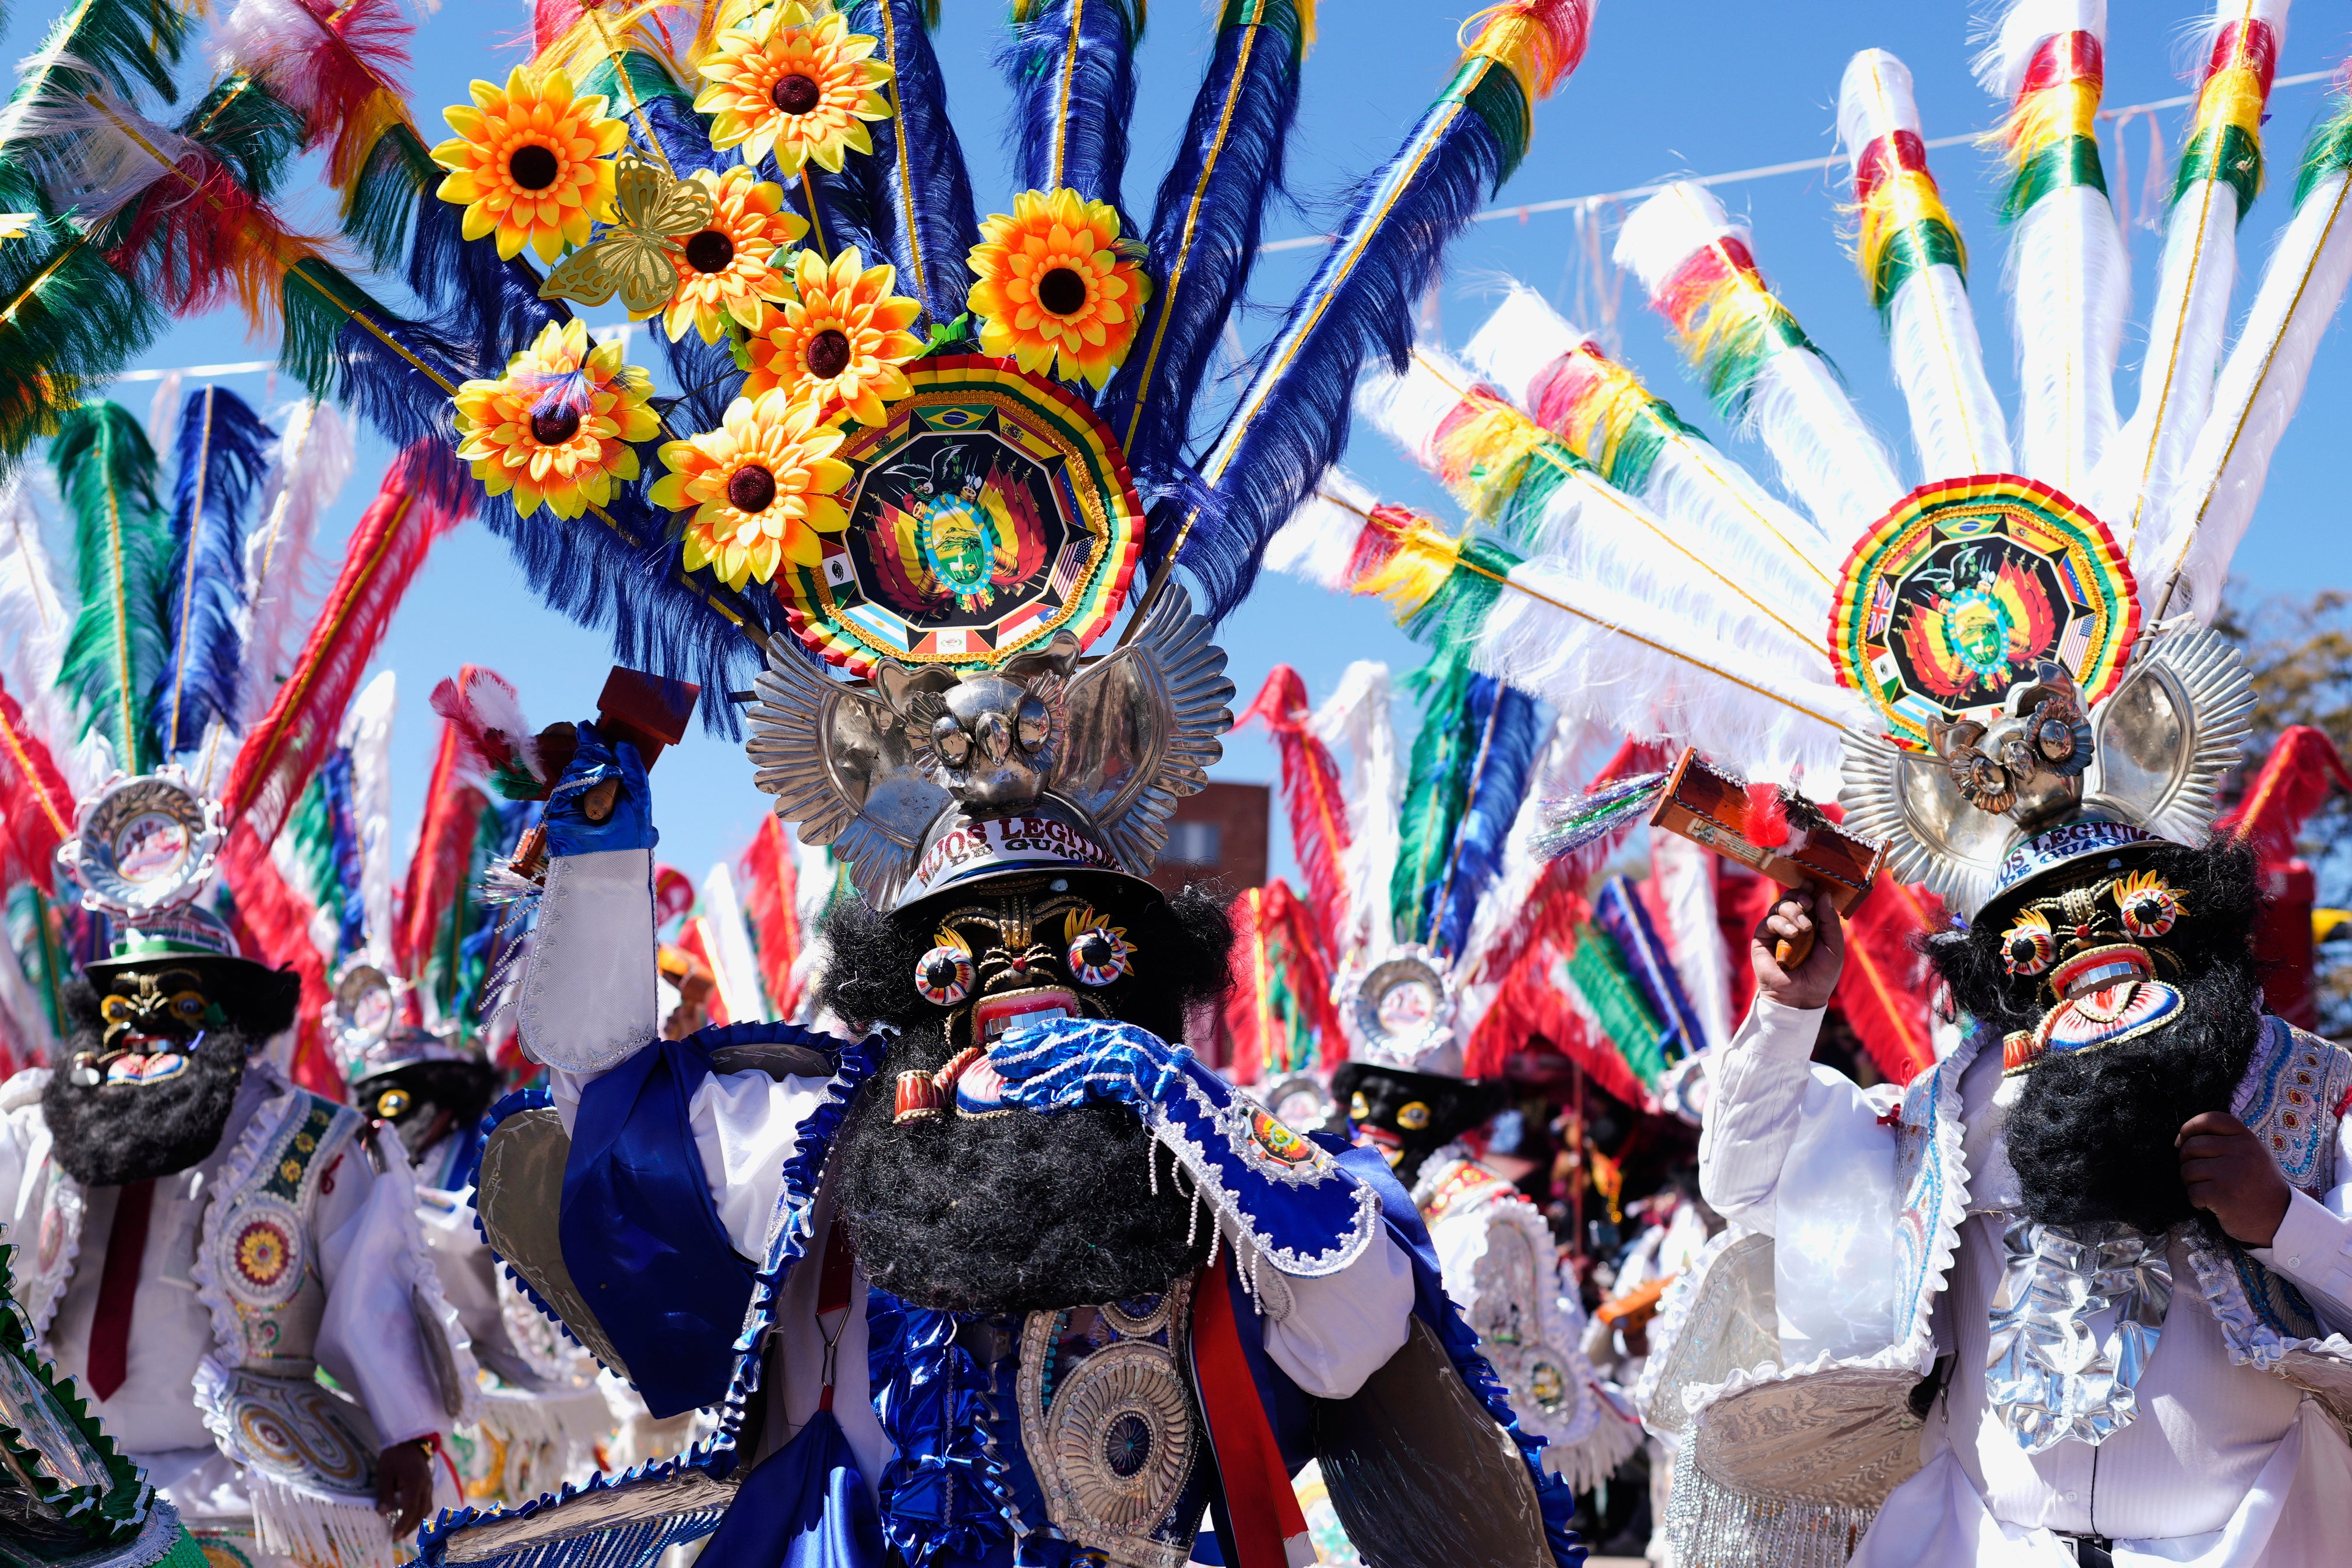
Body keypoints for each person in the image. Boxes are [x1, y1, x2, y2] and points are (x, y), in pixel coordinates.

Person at [1, 770, 468, 1568]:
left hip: (248, 1485)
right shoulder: (38, 1123)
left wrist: (404, 1433)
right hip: (65, 1490)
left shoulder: (316, 1136)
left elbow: (372, 1285)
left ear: (228, 1013)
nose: (143, 1029)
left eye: (176, 1005)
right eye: (120, 1010)